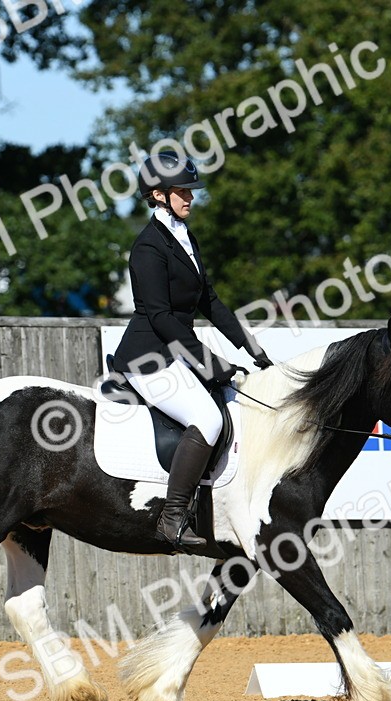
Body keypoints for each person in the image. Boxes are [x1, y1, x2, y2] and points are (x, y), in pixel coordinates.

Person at [110, 152, 273, 553]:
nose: (190, 197)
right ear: (158, 194)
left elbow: (210, 301)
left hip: (175, 352)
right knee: (207, 419)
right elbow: (161, 317)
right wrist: (210, 362)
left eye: (190, 190)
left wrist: (253, 350)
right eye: (182, 190)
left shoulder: (184, 237)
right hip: (147, 357)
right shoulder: (148, 247)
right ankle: (171, 518)